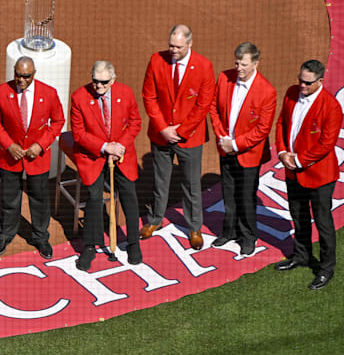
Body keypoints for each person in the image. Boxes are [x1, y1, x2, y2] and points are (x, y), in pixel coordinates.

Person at [140, 24, 215, 249]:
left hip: (189, 137)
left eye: (179, 47)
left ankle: (194, 227)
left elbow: (203, 105)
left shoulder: (204, 66)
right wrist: (163, 128)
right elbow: (149, 96)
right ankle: (154, 219)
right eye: (171, 45)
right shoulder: (156, 60)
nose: (173, 50)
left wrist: (180, 132)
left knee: (191, 184)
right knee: (160, 180)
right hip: (161, 134)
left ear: (190, 44)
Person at [0, 55, 65, 259]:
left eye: (26, 76)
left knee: (39, 199)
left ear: (34, 74)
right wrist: (8, 145)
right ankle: (5, 235)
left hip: (37, 159)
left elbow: (58, 121)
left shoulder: (49, 93)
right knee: (9, 199)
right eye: (18, 75)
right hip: (10, 158)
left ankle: (40, 237)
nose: (21, 80)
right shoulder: (2, 92)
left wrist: (41, 145)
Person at [274, 59, 342, 289]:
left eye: (307, 83)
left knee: (323, 223)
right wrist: (283, 152)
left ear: (320, 81)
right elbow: (282, 122)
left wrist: (299, 160)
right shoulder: (292, 93)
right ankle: (301, 255)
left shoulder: (331, 107)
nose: (302, 86)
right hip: (293, 171)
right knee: (298, 215)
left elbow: (326, 143)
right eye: (300, 80)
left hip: (319, 176)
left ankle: (326, 268)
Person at [70, 61, 143, 271]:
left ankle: (133, 242)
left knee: (129, 194)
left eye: (103, 82)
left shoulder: (126, 93)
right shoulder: (79, 97)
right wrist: (104, 148)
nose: (98, 86)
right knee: (94, 198)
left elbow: (135, 123)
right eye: (95, 81)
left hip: (121, 154)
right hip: (93, 156)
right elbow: (79, 134)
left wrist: (119, 146)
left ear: (113, 79)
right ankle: (90, 246)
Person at [207, 42, 276, 256]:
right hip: (226, 149)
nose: (239, 68)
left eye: (244, 64)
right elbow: (213, 108)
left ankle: (248, 237)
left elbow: (263, 129)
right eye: (237, 63)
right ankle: (229, 232)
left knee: (246, 197)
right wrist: (222, 137)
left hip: (248, 155)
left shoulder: (267, 92)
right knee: (228, 193)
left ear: (256, 63)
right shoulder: (224, 77)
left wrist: (235, 145)